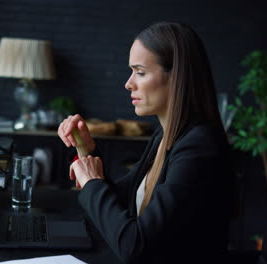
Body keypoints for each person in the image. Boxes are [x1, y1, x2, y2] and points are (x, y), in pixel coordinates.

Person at [57, 21, 234, 264]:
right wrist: (85, 149)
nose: (129, 83)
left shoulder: (199, 148)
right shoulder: (165, 136)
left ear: (176, 77)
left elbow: (134, 246)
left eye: (140, 72)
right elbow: (123, 202)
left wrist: (91, 182)